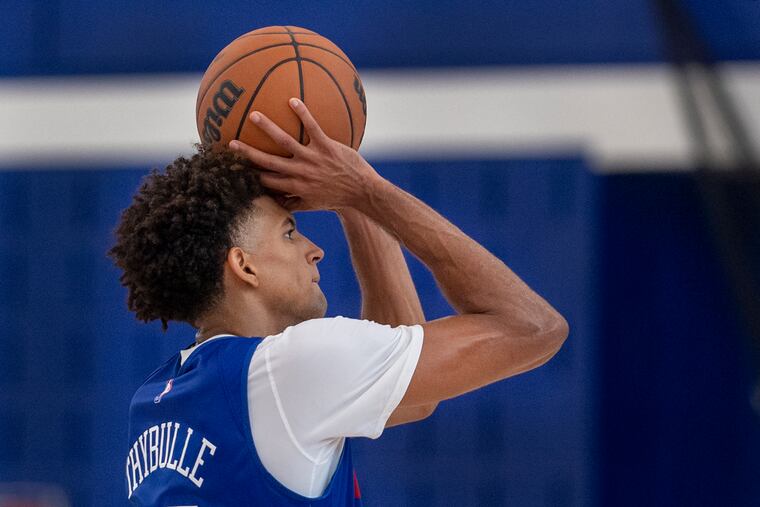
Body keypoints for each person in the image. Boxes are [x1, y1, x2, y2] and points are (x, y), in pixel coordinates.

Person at [109, 98, 568, 506]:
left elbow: (410, 400)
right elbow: (533, 328)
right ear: (244, 266)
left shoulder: (154, 400)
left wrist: (351, 204)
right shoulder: (292, 369)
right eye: (289, 233)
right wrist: (367, 191)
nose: (314, 248)